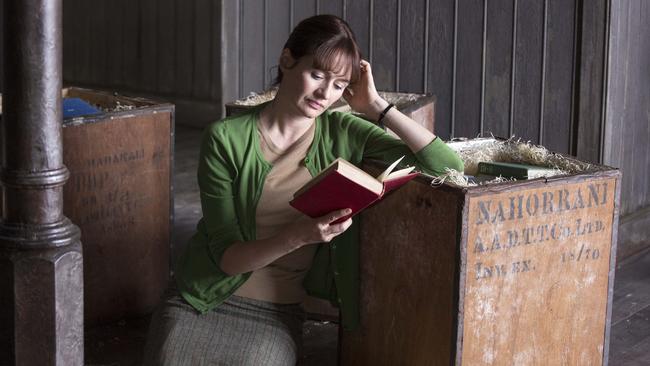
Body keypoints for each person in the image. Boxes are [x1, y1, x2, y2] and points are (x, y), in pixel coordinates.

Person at [144, 14, 463, 366]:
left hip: (275, 309)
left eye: (340, 85)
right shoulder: (226, 137)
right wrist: (297, 236)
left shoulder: (343, 130)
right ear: (287, 61)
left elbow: (446, 165)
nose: (326, 93)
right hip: (204, 294)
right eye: (317, 74)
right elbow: (227, 258)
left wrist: (377, 107)